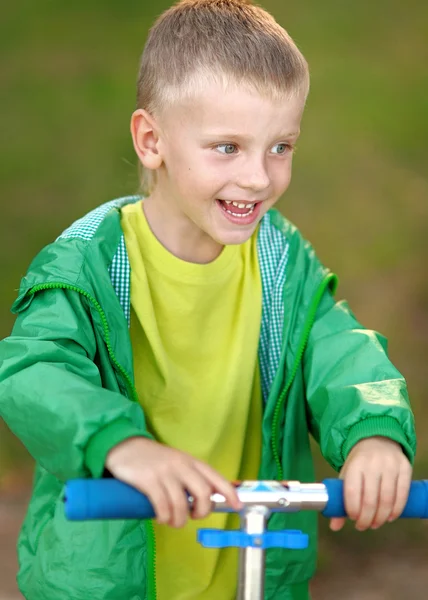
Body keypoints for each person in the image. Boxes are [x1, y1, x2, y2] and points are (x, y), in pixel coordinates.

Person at [0, 1, 416, 599]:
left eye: (281, 147)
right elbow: (34, 370)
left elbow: (341, 353)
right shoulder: (87, 263)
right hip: (107, 578)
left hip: (249, 572)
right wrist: (121, 445)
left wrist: (373, 432)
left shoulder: (281, 264)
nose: (257, 177)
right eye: (227, 147)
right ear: (151, 140)